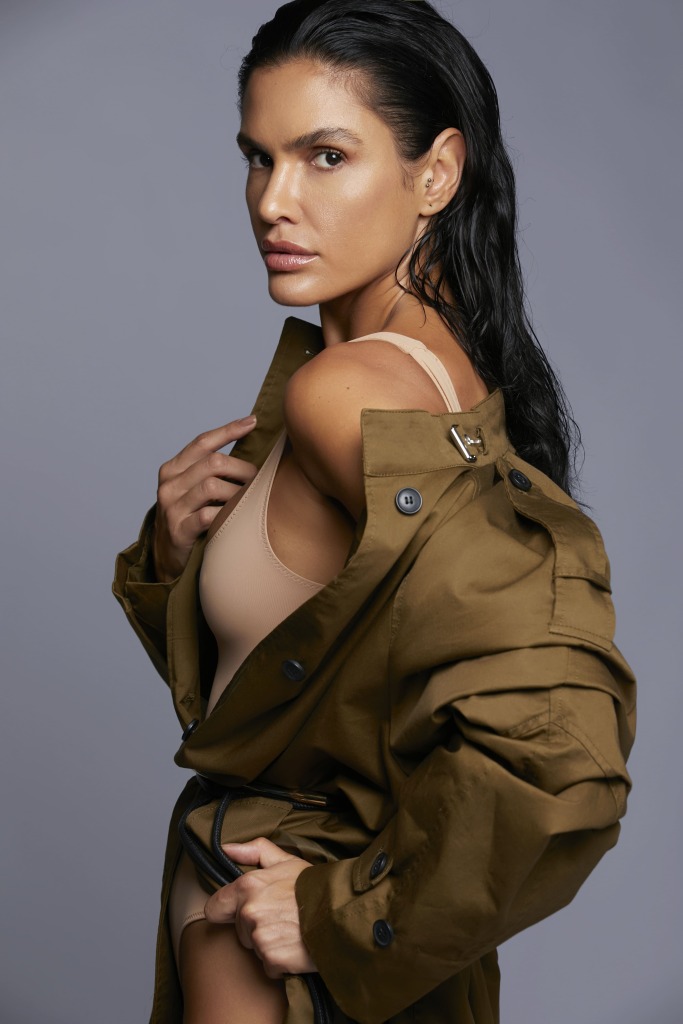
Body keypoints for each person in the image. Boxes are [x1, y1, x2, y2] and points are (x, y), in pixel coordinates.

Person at [113, 2, 636, 1022]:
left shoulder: (347, 394)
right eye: (258, 159)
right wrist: (177, 559)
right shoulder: (419, 375)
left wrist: (339, 918)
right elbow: (317, 687)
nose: (273, 201)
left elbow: (555, 753)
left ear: (435, 174)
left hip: (274, 965)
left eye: (325, 157)